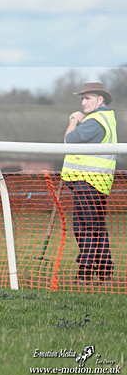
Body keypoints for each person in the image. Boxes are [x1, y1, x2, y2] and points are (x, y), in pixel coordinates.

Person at [61, 81, 116, 283]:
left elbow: (69, 141)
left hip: (88, 182)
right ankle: (104, 272)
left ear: (100, 100)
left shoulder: (94, 121)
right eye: (82, 98)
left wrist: (74, 120)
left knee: (84, 227)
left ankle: (84, 273)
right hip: (98, 183)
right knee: (97, 228)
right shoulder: (106, 119)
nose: (84, 102)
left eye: (88, 98)